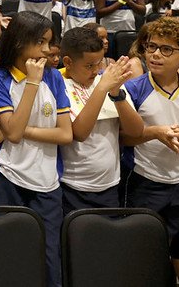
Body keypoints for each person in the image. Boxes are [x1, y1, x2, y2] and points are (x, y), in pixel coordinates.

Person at [121, 17, 179, 285]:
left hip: (176, 182)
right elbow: (124, 138)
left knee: (172, 242)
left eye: (166, 50)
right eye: (151, 47)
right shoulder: (134, 88)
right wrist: (158, 133)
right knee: (139, 245)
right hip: (140, 178)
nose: (156, 54)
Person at [0, 11, 73, 287]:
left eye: (49, 43)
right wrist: (32, 83)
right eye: (41, 42)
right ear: (20, 42)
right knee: (9, 255)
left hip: (48, 182)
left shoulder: (54, 78)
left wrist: (21, 131)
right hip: (9, 179)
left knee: (50, 259)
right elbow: (12, 133)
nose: (48, 50)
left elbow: (65, 133)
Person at [58, 28, 144, 215]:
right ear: (68, 62)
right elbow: (79, 133)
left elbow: (136, 131)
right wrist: (102, 88)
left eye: (99, 63)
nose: (96, 70)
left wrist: (116, 94)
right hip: (73, 185)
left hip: (110, 185)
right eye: (89, 66)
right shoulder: (59, 84)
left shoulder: (108, 82)